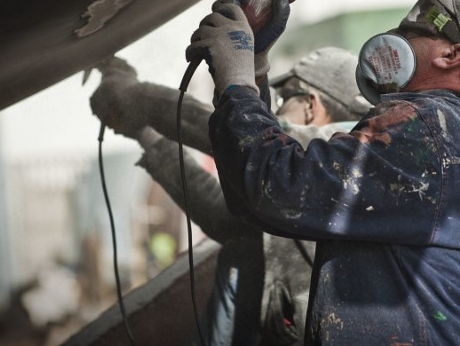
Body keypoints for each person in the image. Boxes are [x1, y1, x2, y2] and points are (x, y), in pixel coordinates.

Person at [186, 0, 460, 344]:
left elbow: (278, 188)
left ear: (451, 55)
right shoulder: (442, 135)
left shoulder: (429, 133)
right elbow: (257, 199)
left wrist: (238, 79)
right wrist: (255, 66)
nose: (401, 34)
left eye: (418, 28)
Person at [89, 46, 369, 345]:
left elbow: (237, 135)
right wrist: (146, 134)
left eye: (285, 99)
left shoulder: (340, 155)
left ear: (311, 105)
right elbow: (222, 217)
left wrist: (132, 95)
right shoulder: (307, 187)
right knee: (241, 251)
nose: (275, 111)